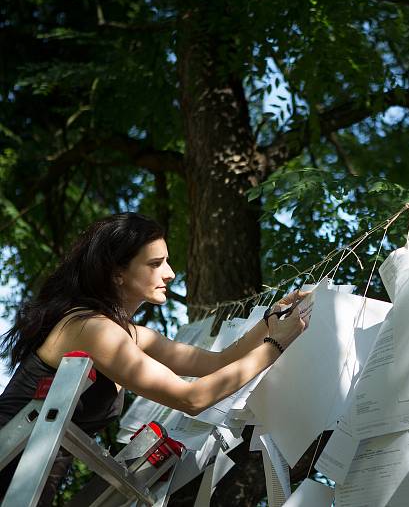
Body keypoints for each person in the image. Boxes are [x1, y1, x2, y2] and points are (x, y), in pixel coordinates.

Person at [0, 212, 306, 504]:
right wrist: (276, 344)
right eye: (156, 263)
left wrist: (271, 319)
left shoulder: (129, 335)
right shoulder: (92, 329)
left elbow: (217, 363)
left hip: (28, 484)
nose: (170, 273)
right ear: (118, 273)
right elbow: (192, 398)